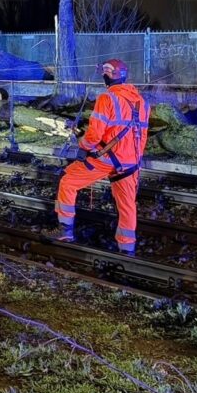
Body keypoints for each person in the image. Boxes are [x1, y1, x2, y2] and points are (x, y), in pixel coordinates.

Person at [47, 59, 149, 254]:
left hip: (105, 159)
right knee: (127, 205)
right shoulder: (142, 102)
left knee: (68, 181)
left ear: (108, 76)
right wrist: (135, 160)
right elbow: (142, 135)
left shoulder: (107, 98)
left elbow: (94, 136)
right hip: (130, 163)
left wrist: (83, 144)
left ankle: (65, 230)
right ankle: (127, 250)